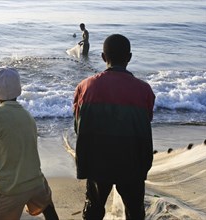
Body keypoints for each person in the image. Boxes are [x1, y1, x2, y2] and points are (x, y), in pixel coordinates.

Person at [73, 34, 155, 219]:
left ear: (103, 57)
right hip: (132, 161)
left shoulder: (85, 87)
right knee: (134, 210)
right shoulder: (144, 90)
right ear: (129, 57)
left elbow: (78, 124)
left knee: (94, 207)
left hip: (97, 161)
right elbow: (144, 120)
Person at [0, 67, 59, 220]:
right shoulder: (27, 115)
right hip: (36, 182)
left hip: (10, 188)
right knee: (47, 204)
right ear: (19, 90)